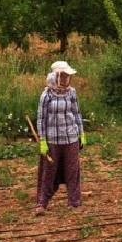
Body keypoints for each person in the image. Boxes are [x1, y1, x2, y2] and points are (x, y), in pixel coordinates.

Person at [35, 60, 86, 214]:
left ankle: (74, 202)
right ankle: (42, 203)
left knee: (73, 170)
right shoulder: (46, 95)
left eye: (67, 76)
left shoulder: (72, 92)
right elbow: (41, 119)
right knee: (49, 172)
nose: (66, 79)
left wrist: (81, 133)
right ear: (55, 76)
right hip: (52, 139)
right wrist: (43, 140)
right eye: (63, 76)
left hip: (71, 138)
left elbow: (76, 113)